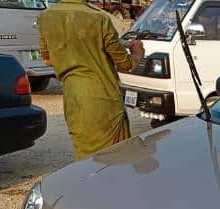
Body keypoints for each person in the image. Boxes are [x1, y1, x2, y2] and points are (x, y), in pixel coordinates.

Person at [38, 0, 144, 159]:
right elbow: (126, 64)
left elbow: (48, 59)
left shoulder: (46, 17)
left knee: (85, 164)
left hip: (74, 103)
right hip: (104, 103)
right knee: (115, 161)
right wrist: (137, 52)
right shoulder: (99, 18)